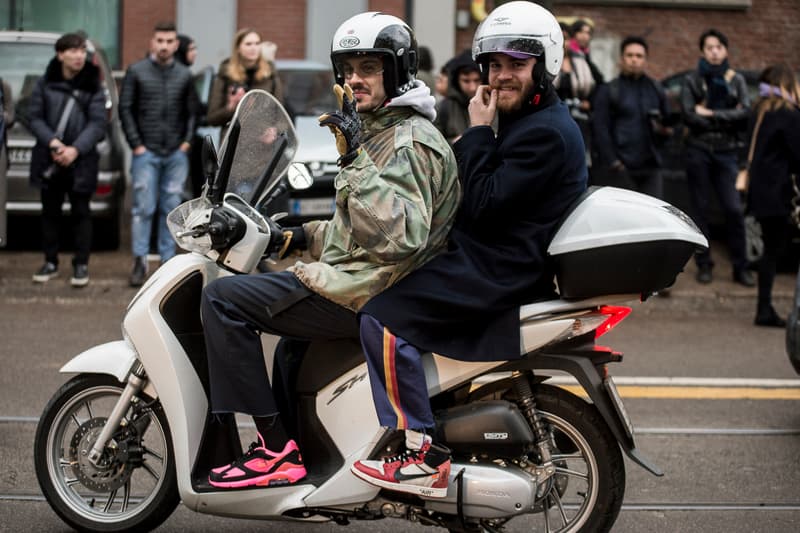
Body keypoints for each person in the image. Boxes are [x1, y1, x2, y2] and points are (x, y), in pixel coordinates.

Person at [200, 11, 460, 490]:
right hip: (363, 278)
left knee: (223, 301)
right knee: (292, 350)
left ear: (399, 70)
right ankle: (299, 456)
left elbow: (397, 239)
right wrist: (298, 237)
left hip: (373, 291)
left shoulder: (409, 141)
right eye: (347, 69)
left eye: (369, 67)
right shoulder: (381, 129)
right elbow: (358, 229)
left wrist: (353, 159)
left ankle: (275, 451)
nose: (354, 79)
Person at [351, 1, 587, 498]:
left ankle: (421, 454)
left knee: (382, 318)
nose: (501, 76)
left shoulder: (546, 133)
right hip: (486, 255)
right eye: (494, 65)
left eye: (515, 66)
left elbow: (480, 203)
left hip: (498, 268)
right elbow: (464, 177)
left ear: (545, 65)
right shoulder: (526, 120)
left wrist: (478, 131)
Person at [120, 21, 198, 287]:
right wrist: (136, 144)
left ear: (176, 44)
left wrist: (186, 142)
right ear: (152, 43)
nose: (164, 46)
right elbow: (125, 109)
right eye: (160, 41)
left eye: (169, 41)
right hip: (146, 151)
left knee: (171, 207)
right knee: (143, 208)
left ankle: (167, 262)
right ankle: (140, 261)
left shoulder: (185, 75)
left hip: (176, 152)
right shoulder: (137, 71)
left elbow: (191, 112)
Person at [28, 33, 106, 287]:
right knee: (49, 213)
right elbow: (35, 117)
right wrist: (53, 143)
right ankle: (50, 262)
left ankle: (81, 265)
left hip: (81, 161)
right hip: (49, 157)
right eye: (73, 51)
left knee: (81, 213)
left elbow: (97, 124)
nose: (79, 55)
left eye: (82, 50)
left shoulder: (94, 85)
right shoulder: (44, 83)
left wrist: (75, 149)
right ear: (60, 54)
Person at [680, 28, 753, 286]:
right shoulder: (692, 79)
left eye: (718, 47)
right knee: (700, 209)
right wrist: (725, 116)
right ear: (702, 51)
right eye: (709, 47)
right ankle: (704, 264)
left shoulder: (737, 81)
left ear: (725, 50)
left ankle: (740, 267)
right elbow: (689, 115)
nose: (714, 51)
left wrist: (710, 114)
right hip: (699, 150)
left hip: (727, 152)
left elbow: (744, 113)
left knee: (733, 209)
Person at [746, 65, 800, 327]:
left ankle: (763, 307)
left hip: (761, 193)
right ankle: (764, 310)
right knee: (774, 251)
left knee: (770, 250)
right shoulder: (789, 114)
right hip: (780, 194)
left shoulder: (757, 111)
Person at [592, 36, 671, 198]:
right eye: (630, 55)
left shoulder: (656, 89)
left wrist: (664, 133)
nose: (634, 60)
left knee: (654, 218)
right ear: (622, 59)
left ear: (645, 60)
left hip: (651, 167)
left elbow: (667, 123)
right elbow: (600, 128)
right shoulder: (609, 90)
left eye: (639, 56)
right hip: (621, 168)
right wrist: (613, 161)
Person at [206, 28, 284, 141]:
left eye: (257, 43)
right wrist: (231, 107)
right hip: (233, 144)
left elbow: (281, 112)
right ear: (238, 48)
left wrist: (274, 129)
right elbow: (212, 118)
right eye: (248, 44)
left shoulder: (270, 73)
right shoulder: (226, 73)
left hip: (262, 144)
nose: (254, 48)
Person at [555, 19, 603, 171]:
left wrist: (589, 102)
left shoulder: (581, 61)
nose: (563, 43)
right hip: (555, 117)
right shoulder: (546, 63)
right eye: (559, 39)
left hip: (579, 117)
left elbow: (598, 84)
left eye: (566, 38)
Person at [434, 49, 481, 144]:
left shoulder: (495, 105)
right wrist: (454, 143)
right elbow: (432, 145)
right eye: (466, 81)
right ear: (456, 81)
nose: (472, 88)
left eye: (476, 80)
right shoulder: (443, 108)